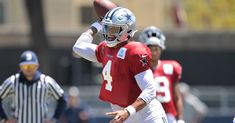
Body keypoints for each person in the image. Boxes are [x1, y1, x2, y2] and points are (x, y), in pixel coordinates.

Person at [73, 7, 167, 123]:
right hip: (124, 117)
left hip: (147, 116)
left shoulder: (134, 51)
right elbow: (78, 46)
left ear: (127, 30)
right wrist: (97, 24)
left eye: (113, 29)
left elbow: (150, 90)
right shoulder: (104, 49)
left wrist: (128, 111)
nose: (108, 33)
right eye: (106, 28)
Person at [0, 50, 66, 123]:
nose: (28, 69)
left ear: (37, 66)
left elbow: (62, 100)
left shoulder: (47, 82)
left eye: (31, 66)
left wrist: (54, 119)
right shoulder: (12, 82)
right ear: (20, 67)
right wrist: (4, 119)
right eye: (25, 66)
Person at [139, 26, 185, 123]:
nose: (153, 52)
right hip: (147, 114)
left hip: (169, 115)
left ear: (161, 48)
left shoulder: (172, 67)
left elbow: (177, 96)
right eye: (150, 48)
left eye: (156, 48)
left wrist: (180, 119)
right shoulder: (139, 69)